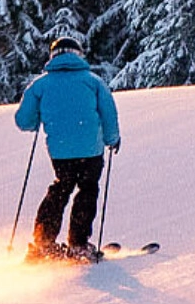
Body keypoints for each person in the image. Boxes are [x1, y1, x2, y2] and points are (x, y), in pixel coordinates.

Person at [13, 32, 121, 263]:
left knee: (61, 188)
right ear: (78, 55)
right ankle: (79, 244)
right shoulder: (93, 82)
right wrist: (112, 139)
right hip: (91, 149)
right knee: (87, 189)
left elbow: (24, 121)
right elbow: (109, 113)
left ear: (53, 56)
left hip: (60, 151)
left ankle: (43, 242)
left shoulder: (40, 85)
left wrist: (36, 122)